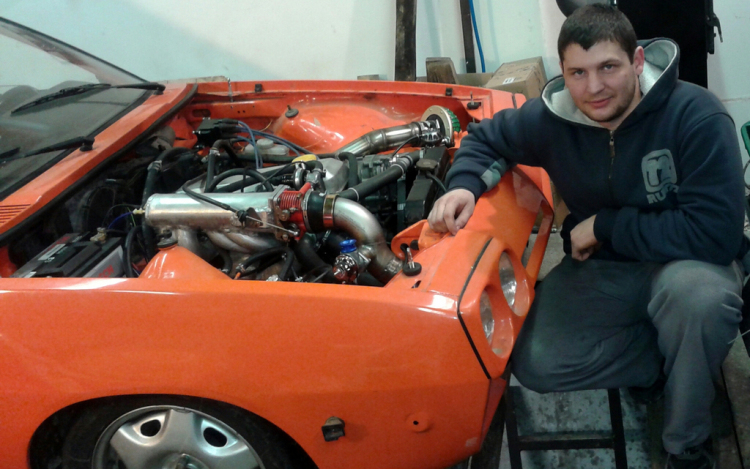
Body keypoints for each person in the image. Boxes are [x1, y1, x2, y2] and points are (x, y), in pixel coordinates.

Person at [428, 5, 747, 468]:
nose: (594, 87)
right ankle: (678, 361)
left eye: (608, 67)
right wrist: (463, 185)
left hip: (687, 263)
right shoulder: (552, 118)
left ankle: (686, 445)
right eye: (578, 73)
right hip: (605, 268)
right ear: (563, 72)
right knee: (537, 362)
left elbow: (716, 233)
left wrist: (604, 225)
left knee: (698, 302)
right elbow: (484, 139)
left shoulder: (696, 114)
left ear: (637, 61)